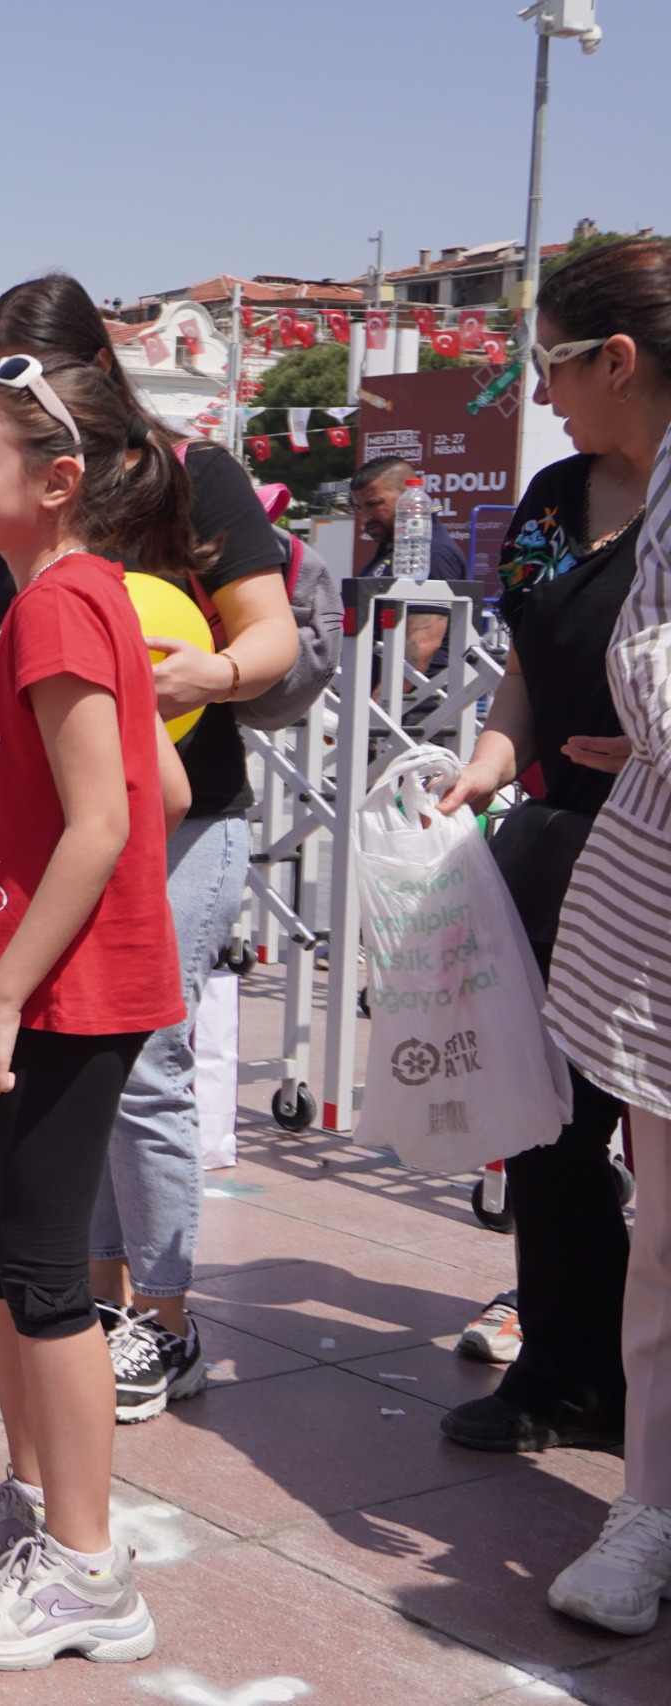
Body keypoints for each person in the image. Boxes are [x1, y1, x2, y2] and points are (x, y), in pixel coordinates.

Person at [0, 275, 300, 1423]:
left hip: (130, 859)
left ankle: (157, 1316)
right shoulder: (40, 563)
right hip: (67, 854)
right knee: (39, 1210)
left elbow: (263, 647)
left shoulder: (98, 561)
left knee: (130, 1088)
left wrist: (205, 674)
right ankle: (89, 1326)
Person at [0, 352, 189, 1669]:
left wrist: (4, 993)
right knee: (3, 1261)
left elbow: (109, 820)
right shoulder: (61, 601)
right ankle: (34, 1499)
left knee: (50, 1278)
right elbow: (158, 786)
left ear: (57, 480)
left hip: (61, 993)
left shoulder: (63, 603)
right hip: (30, 978)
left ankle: (86, 1566)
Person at [433, 239, 671, 1466]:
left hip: (655, 847)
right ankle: (565, 1366)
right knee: (543, 1119)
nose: (537, 391)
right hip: (552, 839)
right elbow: (524, 667)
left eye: (553, 363)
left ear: (616, 360)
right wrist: (486, 761)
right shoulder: (549, 500)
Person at [542, 364, 671, 1631]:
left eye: (557, 360)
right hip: (643, 896)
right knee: (659, 1229)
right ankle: (646, 1498)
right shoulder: (580, 491)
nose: (543, 390)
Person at [348, 454, 487, 676]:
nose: (365, 517)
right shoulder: (392, 548)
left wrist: (380, 698)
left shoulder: (432, 553)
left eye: (374, 504)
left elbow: (421, 649)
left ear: (409, 497)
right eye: (359, 508)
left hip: (415, 695)